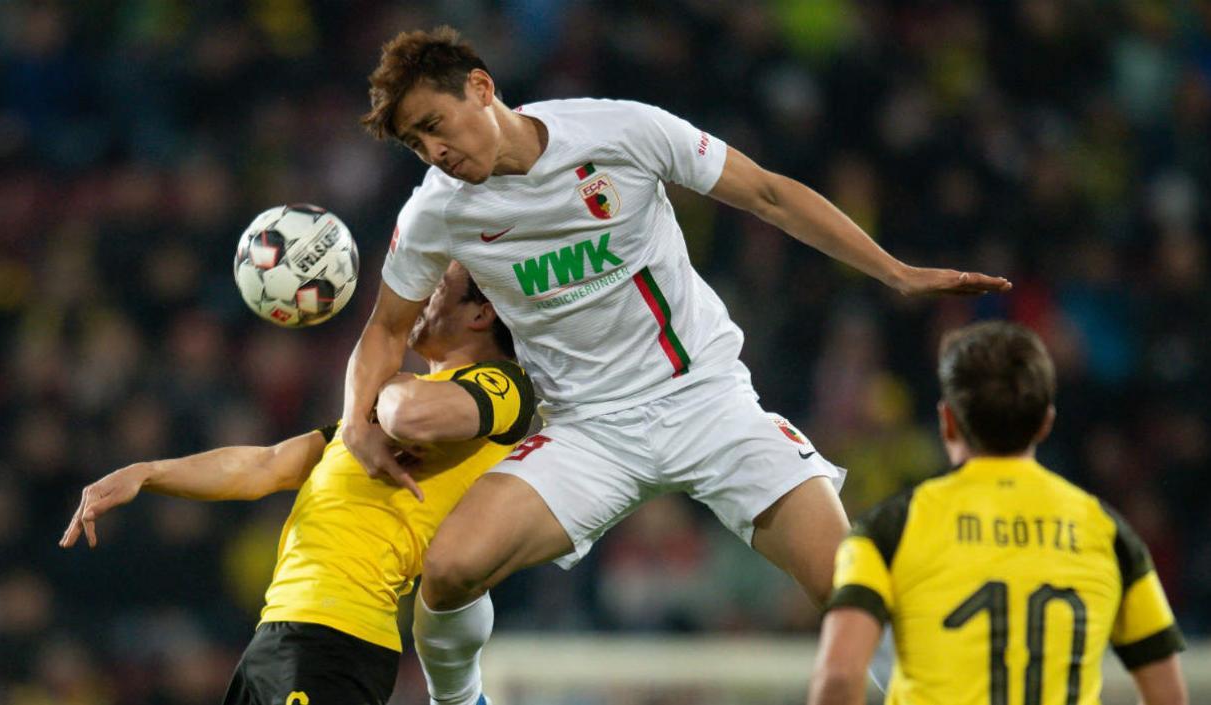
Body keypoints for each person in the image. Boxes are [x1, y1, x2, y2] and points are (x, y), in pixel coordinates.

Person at [341, 27, 1012, 705]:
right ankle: (458, 703)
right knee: (450, 569)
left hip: (705, 401)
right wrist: (353, 423)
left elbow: (769, 195)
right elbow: (386, 328)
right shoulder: (437, 210)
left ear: (481, 88)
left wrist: (895, 273)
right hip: (588, 431)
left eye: (435, 125)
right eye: (417, 144)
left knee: (851, 585)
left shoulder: (620, 132)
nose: (436, 152)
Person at [60, 263, 535, 705]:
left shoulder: (501, 386)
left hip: (339, 634)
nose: (421, 297)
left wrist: (378, 379)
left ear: (481, 311)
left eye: (438, 289)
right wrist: (148, 473)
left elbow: (412, 413)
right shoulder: (371, 416)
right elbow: (265, 466)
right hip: (281, 630)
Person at [809, 321, 1187, 705]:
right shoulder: (1108, 533)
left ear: (948, 422)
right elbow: (1168, 696)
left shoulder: (888, 528)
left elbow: (839, 677)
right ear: (1045, 424)